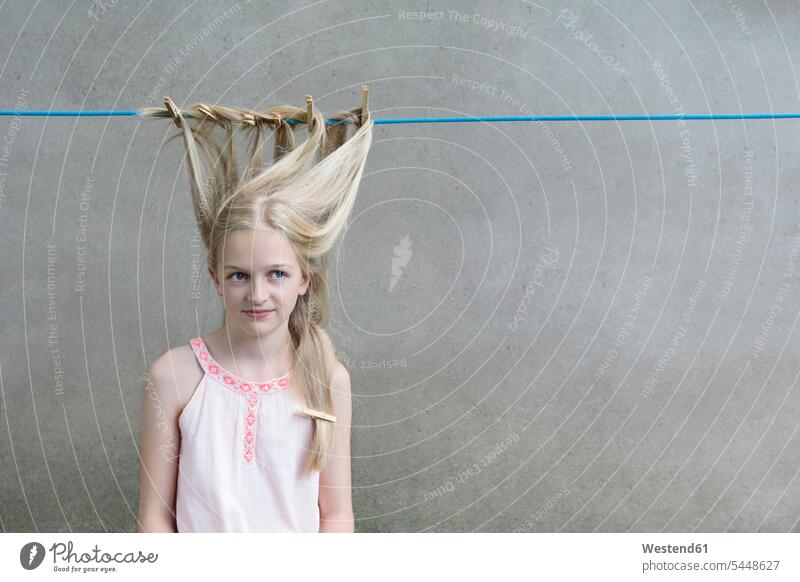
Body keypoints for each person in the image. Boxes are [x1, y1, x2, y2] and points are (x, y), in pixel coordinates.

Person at [134, 88, 373, 532]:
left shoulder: (327, 379)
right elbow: (154, 519)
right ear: (215, 278)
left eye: (276, 274)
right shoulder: (173, 377)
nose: (257, 294)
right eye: (239, 275)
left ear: (305, 280)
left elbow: (336, 515)